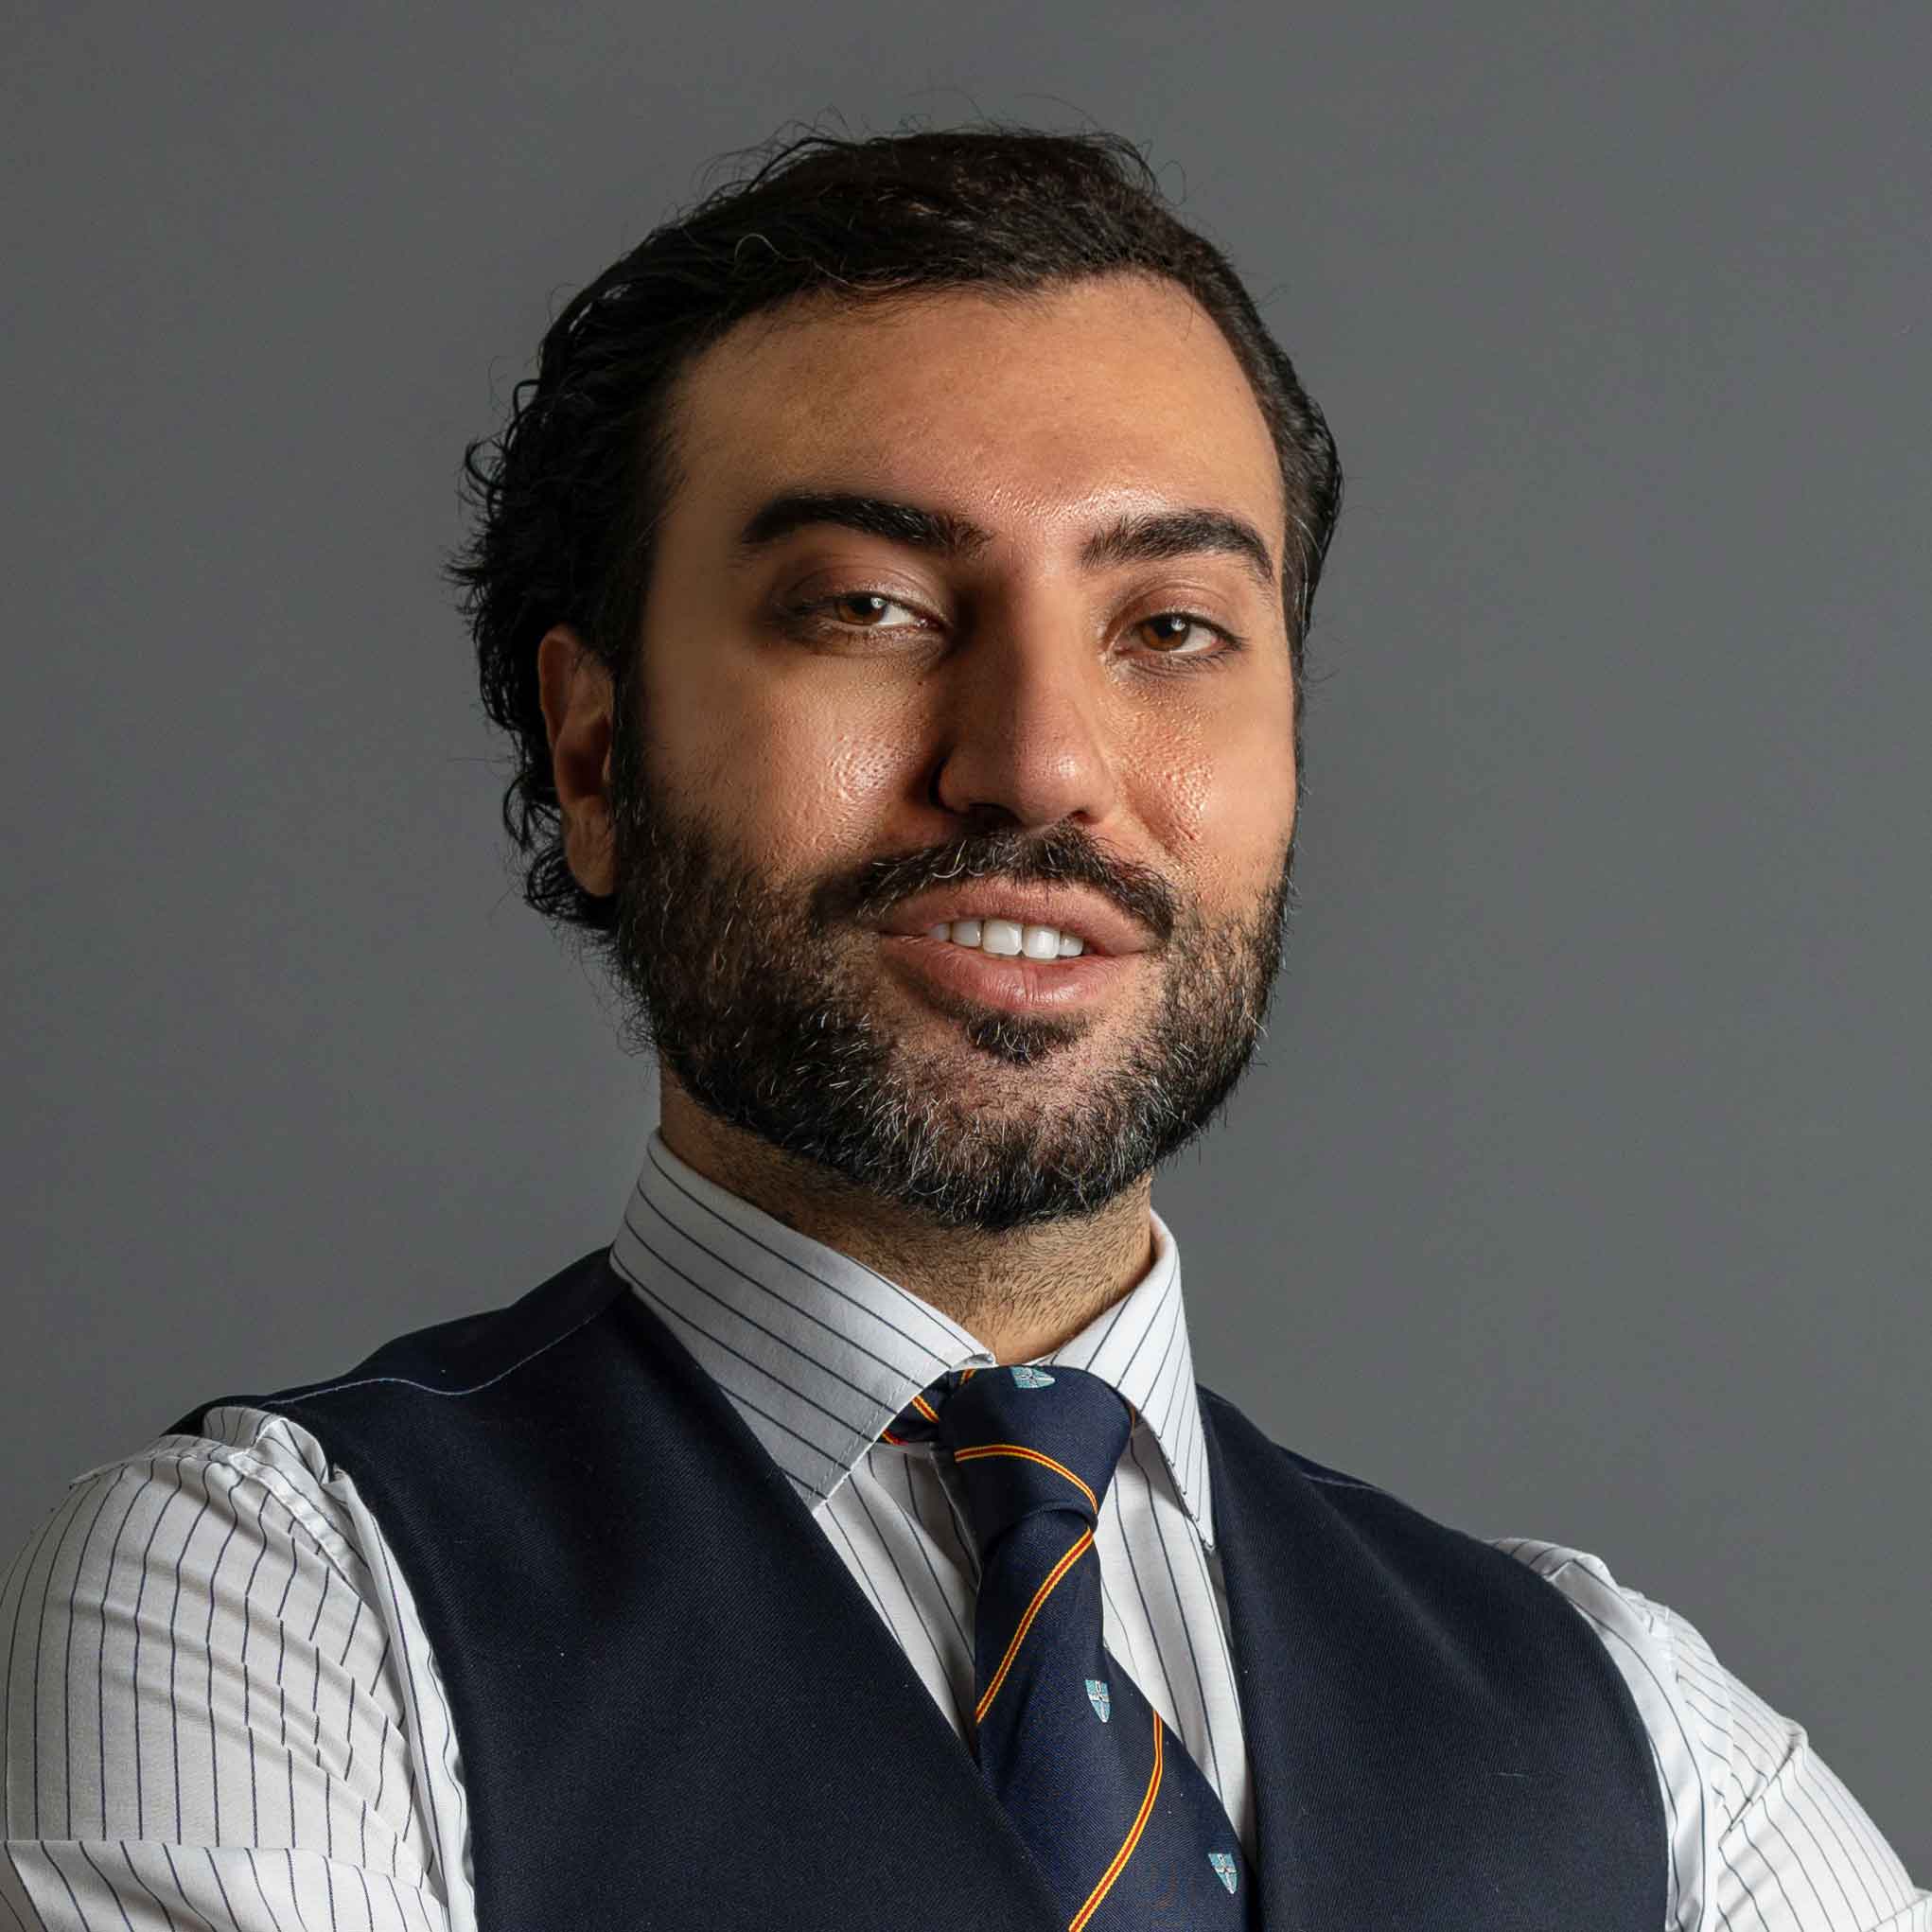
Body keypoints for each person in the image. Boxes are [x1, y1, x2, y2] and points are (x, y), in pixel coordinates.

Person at [0, 123, 1921, 1932]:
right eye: (870, 605)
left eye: (1169, 627)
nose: (1036, 760)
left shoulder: (1636, 1733)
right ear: (595, 752)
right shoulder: (276, 1599)